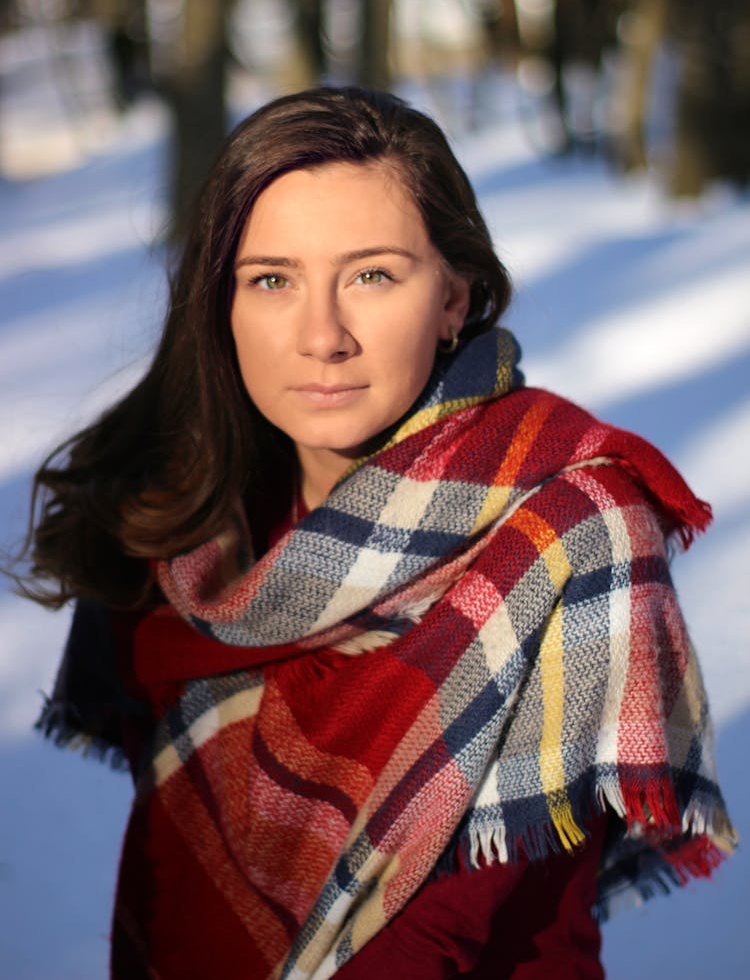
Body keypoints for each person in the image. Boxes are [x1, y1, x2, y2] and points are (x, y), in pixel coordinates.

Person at [22, 86, 735, 978]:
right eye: (272, 280)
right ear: (220, 303)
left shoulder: (569, 527)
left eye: (372, 275)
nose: (322, 336)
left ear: (454, 297)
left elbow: (428, 940)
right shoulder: (185, 516)